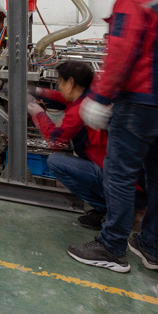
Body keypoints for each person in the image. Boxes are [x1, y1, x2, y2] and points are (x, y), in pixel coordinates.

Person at [68, 0, 158, 274]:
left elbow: (120, 55)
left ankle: (111, 247)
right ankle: (153, 247)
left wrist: (100, 97)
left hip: (136, 102)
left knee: (119, 176)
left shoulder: (130, 1)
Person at [27, 60, 109, 230]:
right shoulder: (89, 95)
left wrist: (39, 114)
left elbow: (55, 142)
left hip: (108, 174)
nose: (59, 86)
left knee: (56, 162)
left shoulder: (78, 111)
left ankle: (103, 208)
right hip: (116, 169)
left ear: (70, 83)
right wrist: (38, 91)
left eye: (60, 82)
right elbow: (64, 99)